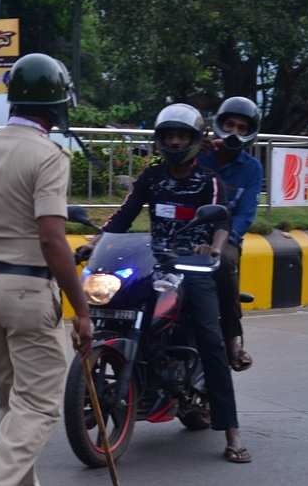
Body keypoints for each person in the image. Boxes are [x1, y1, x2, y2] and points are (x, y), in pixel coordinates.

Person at [77, 103, 251, 463]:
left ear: (194, 140)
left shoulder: (209, 181)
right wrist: (95, 244)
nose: (173, 142)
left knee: (210, 340)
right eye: (168, 135)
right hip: (155, 262)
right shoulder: (152, 177)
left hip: (195, 266)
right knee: (115, 310)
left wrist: (215, 250)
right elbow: (124, 216)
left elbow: (221, 221)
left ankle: (232, 433)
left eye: (180, 136)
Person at [0, 53, 92, 486]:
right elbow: (53, 239)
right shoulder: (49, 156)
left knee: (12, 401)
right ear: (57, 106)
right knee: (37, 406)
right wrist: (82, 310)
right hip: (27, 289)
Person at [198, 96, 263, 372]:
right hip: (186, 233)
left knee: (223, 262)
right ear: (219, 125)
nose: (234, 132)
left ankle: (233, 339)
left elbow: (246, 213)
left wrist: (226, 240)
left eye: (242, 127)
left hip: (225, 238)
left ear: (249, 133)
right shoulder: (199, 154)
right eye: (230, 124)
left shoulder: (251, 168)